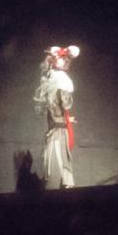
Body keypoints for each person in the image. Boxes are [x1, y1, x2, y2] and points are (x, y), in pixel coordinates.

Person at [33, 45, 82, 189]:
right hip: (56, 128)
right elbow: (61, 105)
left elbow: (61, 105)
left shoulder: (58, 80)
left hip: (58, 127)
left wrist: (66, 119)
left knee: (59, 158)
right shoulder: (56, 80)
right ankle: (62, 185)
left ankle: (65, 185)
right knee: (56, 159)